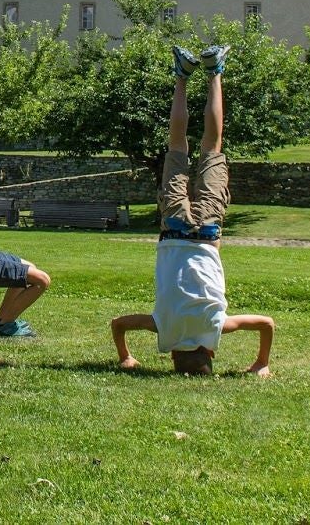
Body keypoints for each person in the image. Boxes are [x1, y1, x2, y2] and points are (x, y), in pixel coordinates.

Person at [107, 45, 274, 376]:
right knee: (178, 145)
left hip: (209, 230)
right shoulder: (164, 330)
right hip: (172, 226)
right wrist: (125, 356)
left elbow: (266, 324)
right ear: (172, 356)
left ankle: (214, 71)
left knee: (211, 146)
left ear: (210, 353)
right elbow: (118, 324)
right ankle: (182, 75)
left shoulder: (216, 329)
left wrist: (262, 362)